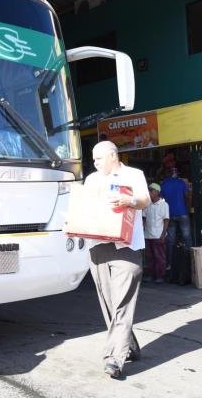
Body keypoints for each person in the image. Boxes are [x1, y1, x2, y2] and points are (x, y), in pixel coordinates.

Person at [84, 141, 151, 379]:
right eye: (93, 160)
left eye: (98, 158)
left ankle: (114, 357)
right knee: (110, 303)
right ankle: (129, 344)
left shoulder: (133, 175)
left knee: (122, 301)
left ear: (113, 156)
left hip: (126, 247)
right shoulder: (91, 180)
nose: (95, 163)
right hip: (98, 247)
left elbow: (145, 201)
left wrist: (129, 201)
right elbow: (83, 208)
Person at [160, 167, 192, 272]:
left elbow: (160, 201)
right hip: (182, 213)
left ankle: (170, 264)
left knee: (170, 241)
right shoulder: (181, 183)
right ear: (176, 173)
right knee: (187, 238)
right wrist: (187, 208)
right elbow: (187, 196)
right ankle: (189, 263)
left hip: (170, 215)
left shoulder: (163, 184)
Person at [143, 183, 170, 284]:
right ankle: (151, 275)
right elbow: (144, 218)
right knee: (150, 257)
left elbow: (166, 220)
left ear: (157, 192)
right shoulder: (147, 204)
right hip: (148, 235)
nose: (149, 192)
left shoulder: (164, 204)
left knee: (160, 257)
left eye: (151, 190)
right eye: (149, 190)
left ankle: (160, 276)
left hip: (158, 235)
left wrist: (163, 234)